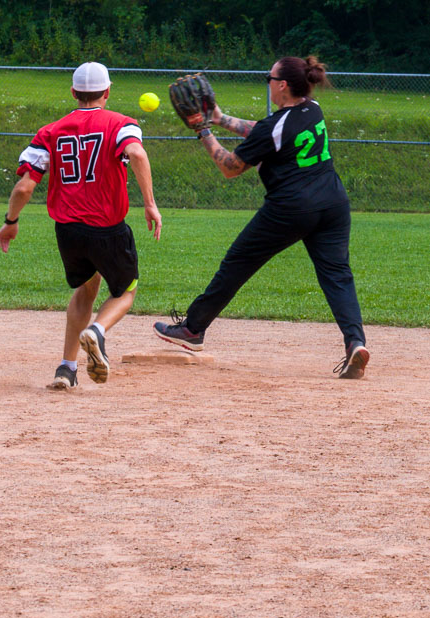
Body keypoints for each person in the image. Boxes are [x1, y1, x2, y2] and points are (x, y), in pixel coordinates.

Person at [154, 55, 369, 379]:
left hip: (292, 208)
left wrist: (202, 129)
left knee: (237, 263)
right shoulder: (312, 110)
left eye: (270, 78)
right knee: (337, 275)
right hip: (333, 204)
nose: (267, 82)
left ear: (282, 85)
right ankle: (355, 343)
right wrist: (220, 118)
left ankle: (193, 330)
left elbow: (230, 166)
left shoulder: (276, 125)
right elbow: (266, 134)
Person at [0, 61, 162, 388]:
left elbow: (24, 187)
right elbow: (138, 155)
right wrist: (150, 204)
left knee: (87, 287)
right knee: (126, 292)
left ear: (73, 93)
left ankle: (66, 368)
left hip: (68, 230)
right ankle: (97, 331)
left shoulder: (50, 131)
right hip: (107, 227)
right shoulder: (120, 123)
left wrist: (10, 222)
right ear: (108, 92)